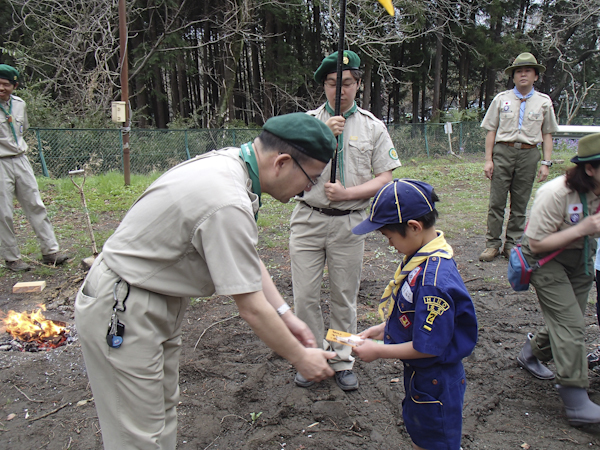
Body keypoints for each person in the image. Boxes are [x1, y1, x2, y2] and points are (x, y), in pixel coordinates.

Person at [74, 113, 338, 450]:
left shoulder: (233, 166)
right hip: (125, 306)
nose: (308, 190)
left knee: (159, 414)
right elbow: (252, 309)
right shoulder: (225, 199)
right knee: (137, 436)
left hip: (153, 297)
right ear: (282, 162)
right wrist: (301, 358)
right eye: (310, 179)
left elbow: (246, 257)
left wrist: (287, 315)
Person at [290, 50, 401, 391]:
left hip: (350, 223)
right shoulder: (307, 122)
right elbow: (289, 166)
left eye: (347, 83)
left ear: (358, 84)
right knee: (305, 296)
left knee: (343, 296)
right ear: (323, 85)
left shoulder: (372, 126)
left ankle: (340, 357)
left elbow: (385, 177)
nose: (341, 91)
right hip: (307, 219)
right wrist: (322, 134)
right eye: (333, 83)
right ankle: (312, 357)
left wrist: (350, 194)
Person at [351, 178, 478, 450]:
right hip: (423, 379)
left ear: (413, 227)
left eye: (389, 237)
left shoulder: (433, 281)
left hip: (436, 382)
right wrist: (386, 329)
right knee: (424, 438)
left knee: (436, 442)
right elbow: (413, 315)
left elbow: (427, 348)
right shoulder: (421, 259)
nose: (389, 245)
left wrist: (378, 350)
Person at [515, 133, 600, 426]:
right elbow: (536, 244)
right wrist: (584, 227)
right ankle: (575, 398)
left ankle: (531, 353)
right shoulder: (556, 194)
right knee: (571, 324)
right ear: (590, 169)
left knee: (568, 319)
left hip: (582, 258)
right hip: (546, 260)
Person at [479, 52, 559, 262]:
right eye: (519, 71)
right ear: (513, 76)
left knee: (520, 203)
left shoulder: (543, 102)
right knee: (497, 202)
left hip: (529, 153)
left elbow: (547, 133)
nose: (523, 75)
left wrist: (546, 163)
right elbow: (491, 131)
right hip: (503, 152)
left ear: (535, 76)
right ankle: (492, 244)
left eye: (528, 71)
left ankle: (512, 244)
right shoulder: (501, 99)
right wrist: (489, 159)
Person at [0, 64, 69, 271]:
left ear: (15, 85)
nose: (1, 88)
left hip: (20, 159)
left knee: (36, 204)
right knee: (4, 212)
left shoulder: (19, 105)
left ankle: (51, 252)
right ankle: (12, 258)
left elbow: (23, 129)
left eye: (5, 85)